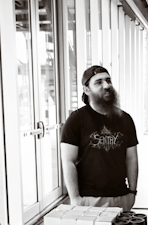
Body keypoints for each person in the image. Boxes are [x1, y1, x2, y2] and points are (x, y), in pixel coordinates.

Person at [60, 65, 139, 210]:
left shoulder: (125, 119)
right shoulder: (77, 120)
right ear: (86, 90)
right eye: (99, 82)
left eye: (108, 81)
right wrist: (75, 198)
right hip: (89, 199)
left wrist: (132, 192)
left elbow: (131, 158)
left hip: (121, 196)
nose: (107, 85)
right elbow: (68, 161)